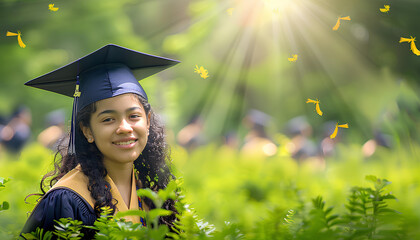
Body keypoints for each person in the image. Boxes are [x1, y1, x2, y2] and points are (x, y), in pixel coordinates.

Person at [20, 44, 179, 238]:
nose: (124, 128)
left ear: (148, 121)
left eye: (134, 116)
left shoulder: (151, 194)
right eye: (108, 119)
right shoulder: (67, 200)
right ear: (87, 130)